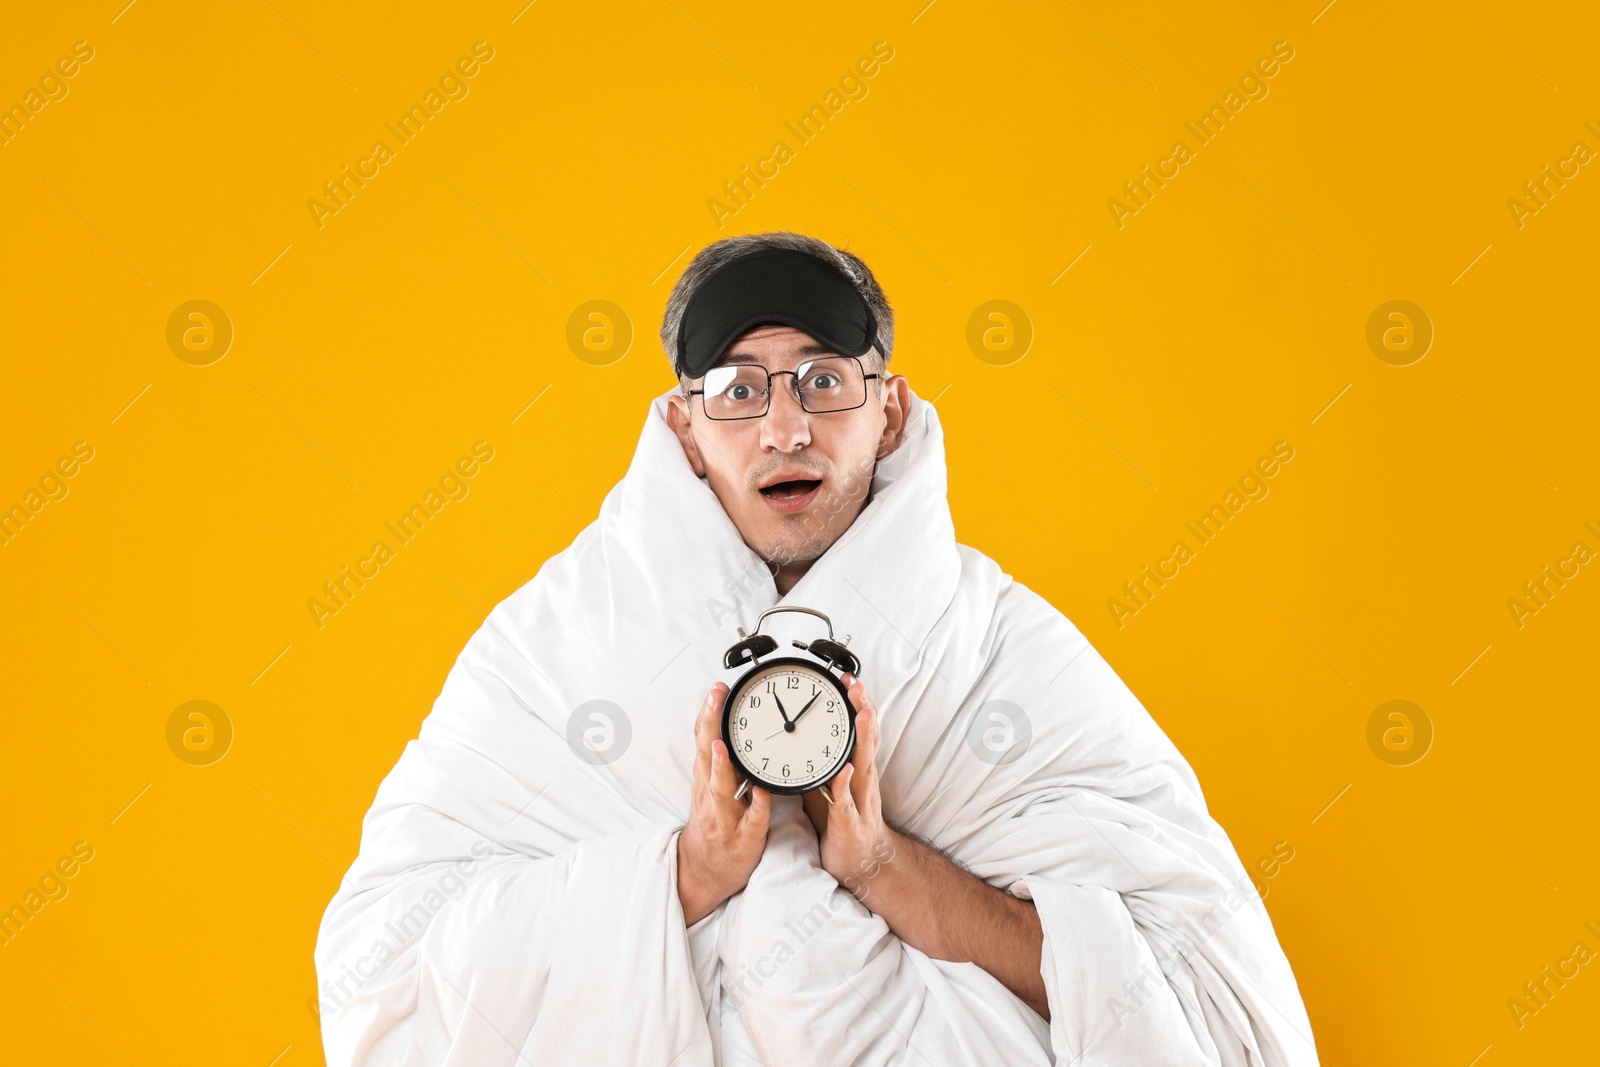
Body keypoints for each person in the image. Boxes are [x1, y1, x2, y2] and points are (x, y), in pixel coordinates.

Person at [314, 231, 1321, 1066]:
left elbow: (1206, 1002)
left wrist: (886, 866)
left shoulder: (1005, 649)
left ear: (887, 411)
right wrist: (689, 872)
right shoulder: (555, 643)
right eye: (738, 389)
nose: (785, 428)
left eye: (823, 380)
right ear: (685, 425)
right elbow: (381, 966)